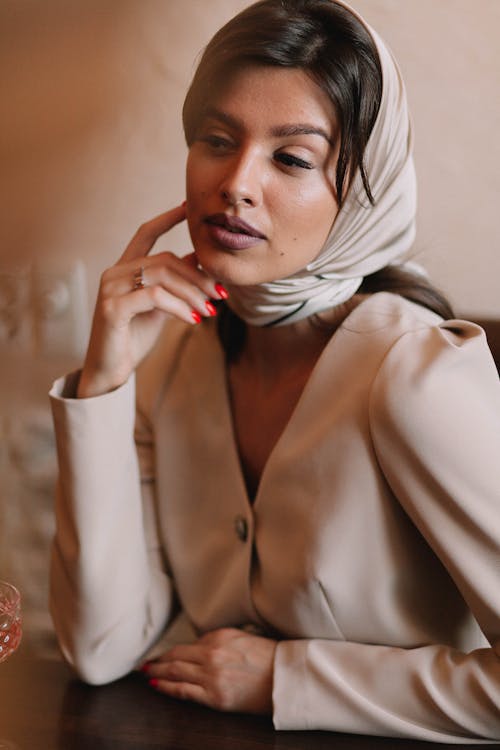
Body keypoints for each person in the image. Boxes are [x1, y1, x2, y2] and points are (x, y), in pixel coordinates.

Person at [49, 0, 500, 742]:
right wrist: (104, 377)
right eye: (216, 140)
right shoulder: (178, 356)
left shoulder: (416, 375)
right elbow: (101, 648)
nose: (236, 182)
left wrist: (287, 679)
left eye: (291, 158)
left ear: (361, 192)